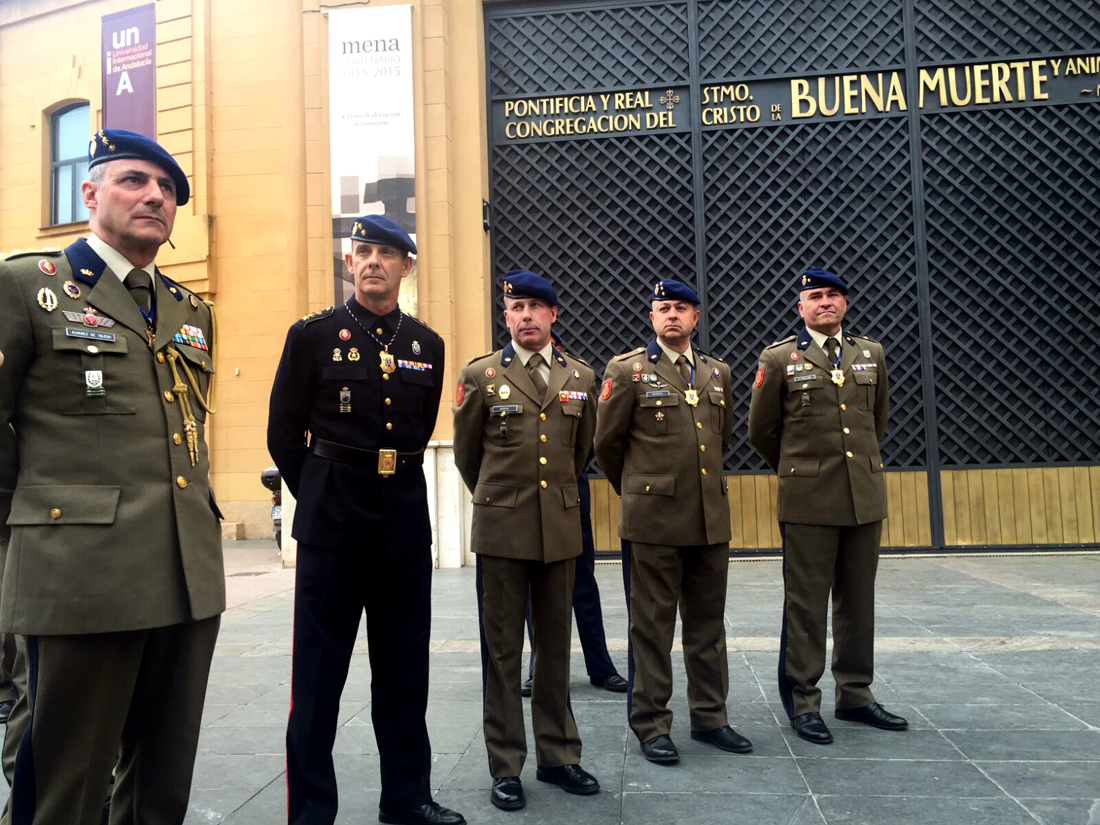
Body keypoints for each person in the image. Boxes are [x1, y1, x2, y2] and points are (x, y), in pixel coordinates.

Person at [0, 128, 223, 824]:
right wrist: (36, 523)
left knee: (161, 785)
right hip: (81, 572)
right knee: (66, 783)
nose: (154, 196)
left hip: (187, 574)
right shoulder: (24, 286)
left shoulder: (192, 311)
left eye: (167, 190)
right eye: (133, 180)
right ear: (90, 193)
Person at [268, 215, 463, 825]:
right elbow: (282, 433)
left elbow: (420, 429)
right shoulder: (312, 335)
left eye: (386, 252)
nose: (373, 261)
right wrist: (322, 492)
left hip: (402, 524)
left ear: (407, 267)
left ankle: (406, 798)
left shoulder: (425, 346)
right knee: (319, 679)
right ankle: (310, 813)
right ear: (348, 265)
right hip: (332, 528)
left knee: (405, 673)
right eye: (362, 252)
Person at [452, 270, 601, 812]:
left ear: (554, 316)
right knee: (502, 652)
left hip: (559, 530)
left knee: (556, 649)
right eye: (518, 307)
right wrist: (504, 499)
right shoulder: (482, 375)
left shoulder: (582, 376)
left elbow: (581, 453)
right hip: (502, 529)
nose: (527, 317)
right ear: (506, 316)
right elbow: (470, 456)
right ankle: (506, 766)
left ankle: (559, 756)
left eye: (538, 307)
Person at [747, 268, 908, 745]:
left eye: (833, 295)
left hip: (863, 496)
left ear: (845, 303)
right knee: (807, 604)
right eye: (815, 297)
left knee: (858, 601)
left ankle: (856, 694)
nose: (826, 303)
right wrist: (802, 470)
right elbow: (762, 430)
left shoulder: (870, 354)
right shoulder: (779, 359)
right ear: (801, 308)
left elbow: (876, 420)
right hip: (808, 499)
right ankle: (803, 700)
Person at [594, 279, 751, 763]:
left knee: (707, 625)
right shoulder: (628, 370)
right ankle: (651, 724)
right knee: (653, 626)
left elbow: (720, 438)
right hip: (653, 520)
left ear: (696, 317)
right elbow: (606, 444)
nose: (672, 316)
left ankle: (710, 717)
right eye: (663, 308)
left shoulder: (716, 371)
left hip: (708, 518)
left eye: (681, 308)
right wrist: (642, 491)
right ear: (652, 317)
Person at [521, 330, 627, 699]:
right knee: (537, 588)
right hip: (528, 499)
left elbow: (590, 438)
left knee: (583, 583)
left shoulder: (579, 378)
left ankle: (601, 666)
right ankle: (541, 667)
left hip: (570, 494)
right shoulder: (504, 377)